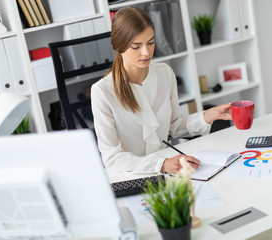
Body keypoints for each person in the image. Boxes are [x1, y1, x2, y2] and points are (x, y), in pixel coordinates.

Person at [91, 6, 232, 174]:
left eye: (150, 42)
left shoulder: (164, 73)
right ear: (118, 46)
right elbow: (112, 159)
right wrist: (162, 164)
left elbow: (173, 125)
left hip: (167, 169)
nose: (146, 52)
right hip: (130, 175)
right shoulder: (102, 92)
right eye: (136, 46)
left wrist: (209, 115)